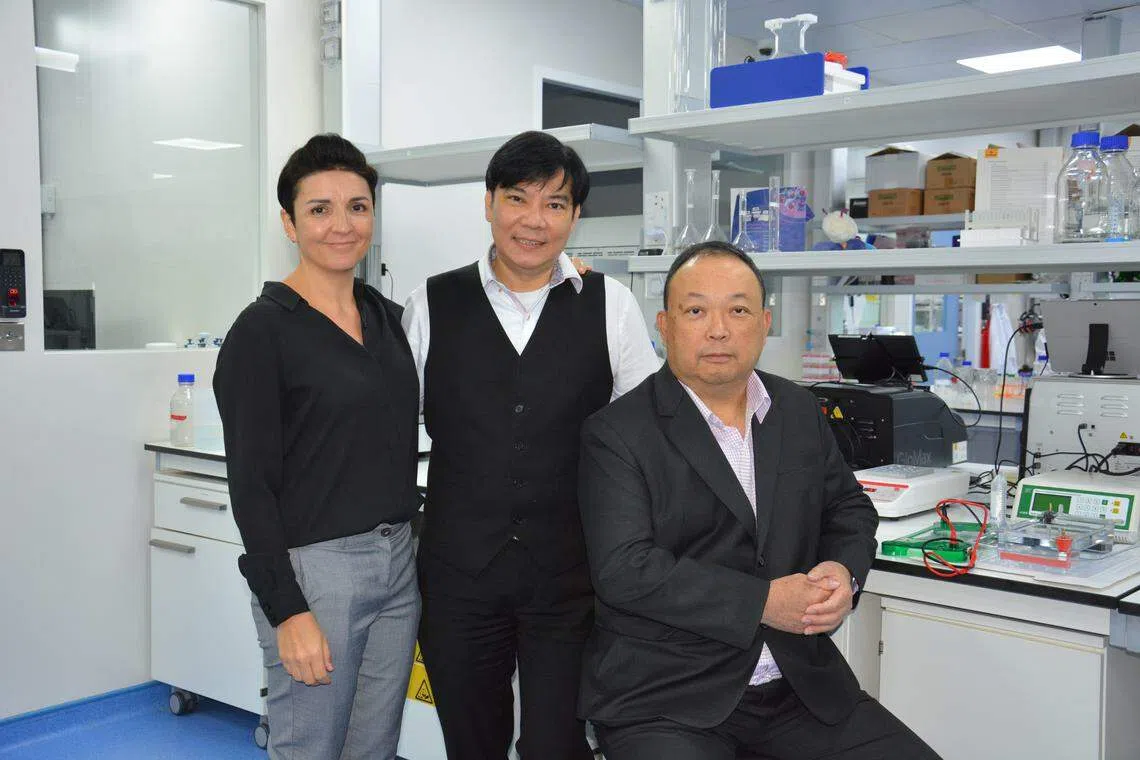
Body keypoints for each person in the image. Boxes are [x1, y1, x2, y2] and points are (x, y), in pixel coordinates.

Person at [576, 241, 943, 760]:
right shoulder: (616, 433)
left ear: (765, 323)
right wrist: (766, 603)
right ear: (665, 324)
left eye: (739, 310)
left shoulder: (797, 409)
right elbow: (625, 570)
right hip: (667, 699)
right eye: (697, 310)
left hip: (800, 692)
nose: (719, 329)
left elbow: (848, 509)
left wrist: (844, 571)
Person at [401, 130, 660, 760]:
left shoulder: (612, 306)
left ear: (575, 216)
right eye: (518, 199)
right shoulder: (430, 303)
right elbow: (388, 430)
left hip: (571, 579)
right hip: (459, 576)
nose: (534, 221)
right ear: (488, 203)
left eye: (555, 204)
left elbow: (651, 436)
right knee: (471, 741)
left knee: (558, 744)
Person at [214, 134, 420, 760]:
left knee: (374, 748)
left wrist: (557, 278)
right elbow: (251, 484)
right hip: (317, 572)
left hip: (398, 563)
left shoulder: (388, 318)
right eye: (320, 209)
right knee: (308, 747)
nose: (342, 225)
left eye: (358, 207)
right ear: (289, 221)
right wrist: (287, 610)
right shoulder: (262, 331)